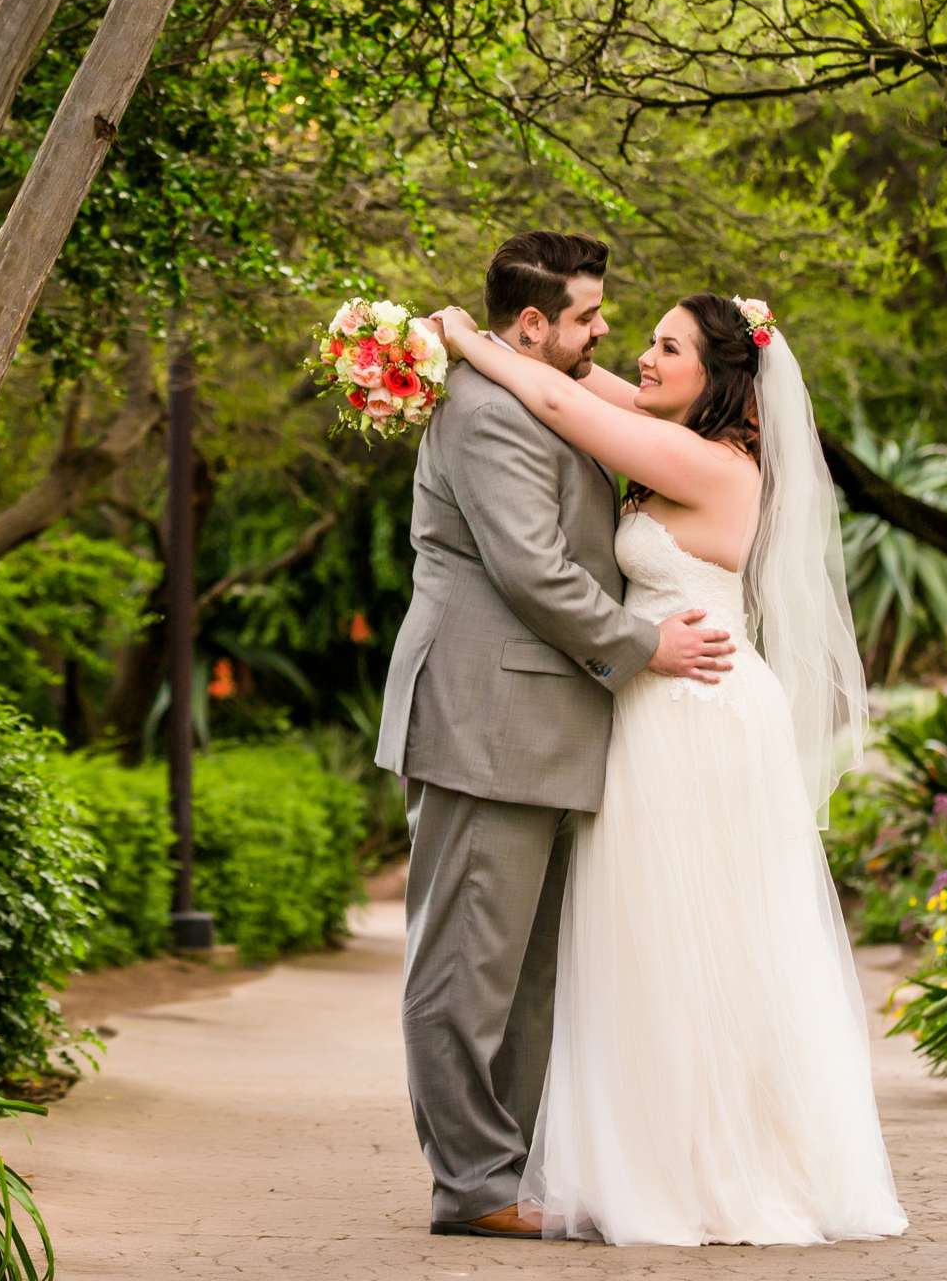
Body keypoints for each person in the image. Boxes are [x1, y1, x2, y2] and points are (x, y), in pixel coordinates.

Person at [428, 286, 909, 1246]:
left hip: (700, 717)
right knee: (651, 945)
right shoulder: (677, 436)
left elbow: (564, 402)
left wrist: (462, 339)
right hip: (659, 715)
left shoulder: (706, 462)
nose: (642, 358)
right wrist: (520, 348)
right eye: (644, 340)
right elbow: (582, 380)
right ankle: (663, 1157)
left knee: (698, 944)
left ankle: (714, 1171)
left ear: (719, 379)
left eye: (668, 348)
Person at [374, 231, 737, 1239]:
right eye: (587, 316)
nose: (604, 330)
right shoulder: (489, 413)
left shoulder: (542, 392)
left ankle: (512, 1171)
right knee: (465, 964)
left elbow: (631, 403)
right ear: (533, 324)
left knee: (527, 971)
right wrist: (642, 644)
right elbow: (534, 570)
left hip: (543, 726)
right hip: (486, 719)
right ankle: (473, 1184)